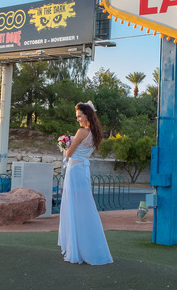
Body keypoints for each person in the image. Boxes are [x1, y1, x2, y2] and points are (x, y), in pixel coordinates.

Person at [57, 101, 113, 265]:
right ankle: (87, 247)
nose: (78, 119)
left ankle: (77, 249)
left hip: (74, 172)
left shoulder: (81, 132)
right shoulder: (95, 134)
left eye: (79, 116)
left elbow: (69, 153)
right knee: (84, 207)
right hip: (83, 172)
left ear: (87, 115)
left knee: (73, 207)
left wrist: (63, 144)